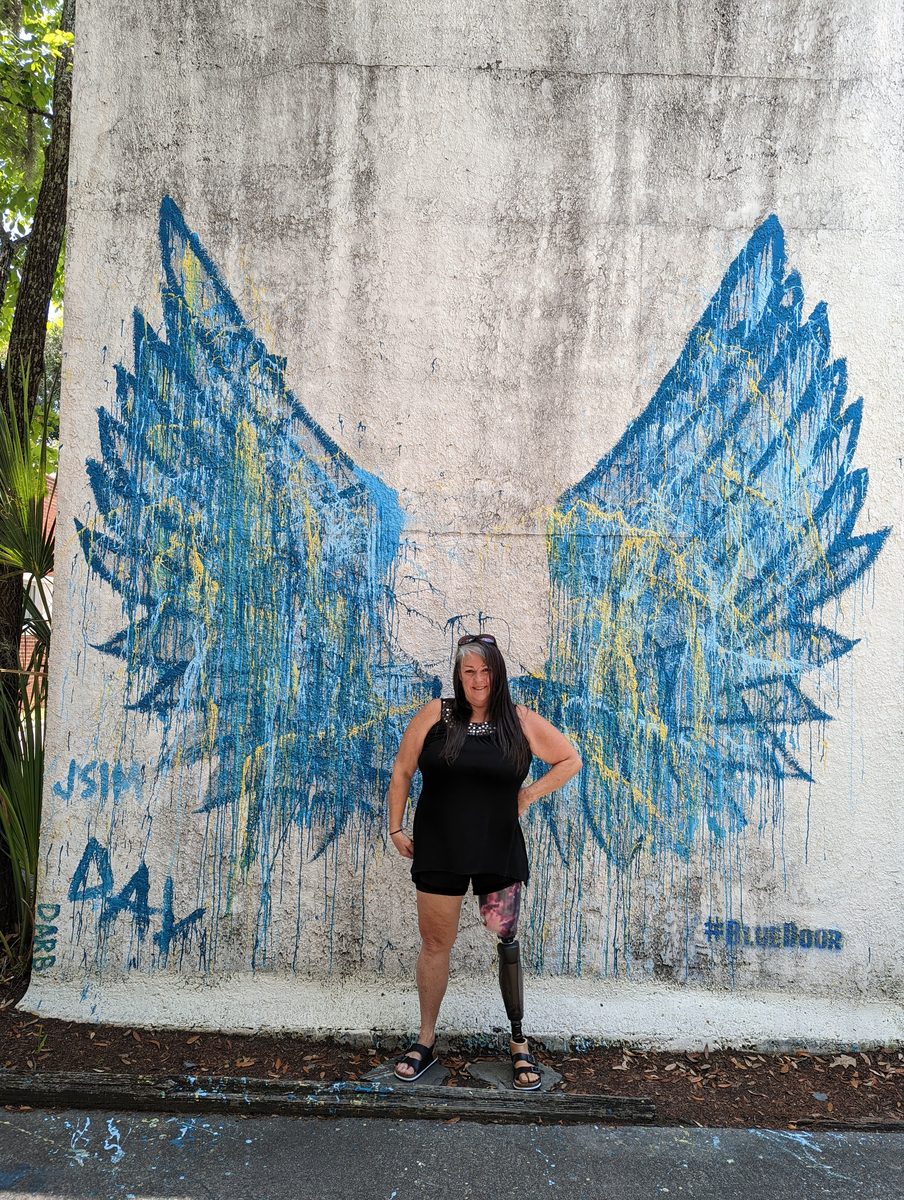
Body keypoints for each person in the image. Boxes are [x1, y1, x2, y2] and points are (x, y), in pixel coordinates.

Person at [387, 633, 582, 1089]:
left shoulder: (519, 720)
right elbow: (403, 769)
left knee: (506, 940)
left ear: (498, 674)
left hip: (497, 845)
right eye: (469, 671)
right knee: (436, 943)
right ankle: (425, 1040)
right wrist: (396, 828)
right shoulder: (436, 714)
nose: (478, 680)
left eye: (486, 671)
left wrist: (528, 795)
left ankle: (518, 1042)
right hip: (440, 846)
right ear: (459, 676)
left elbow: (569, 760)